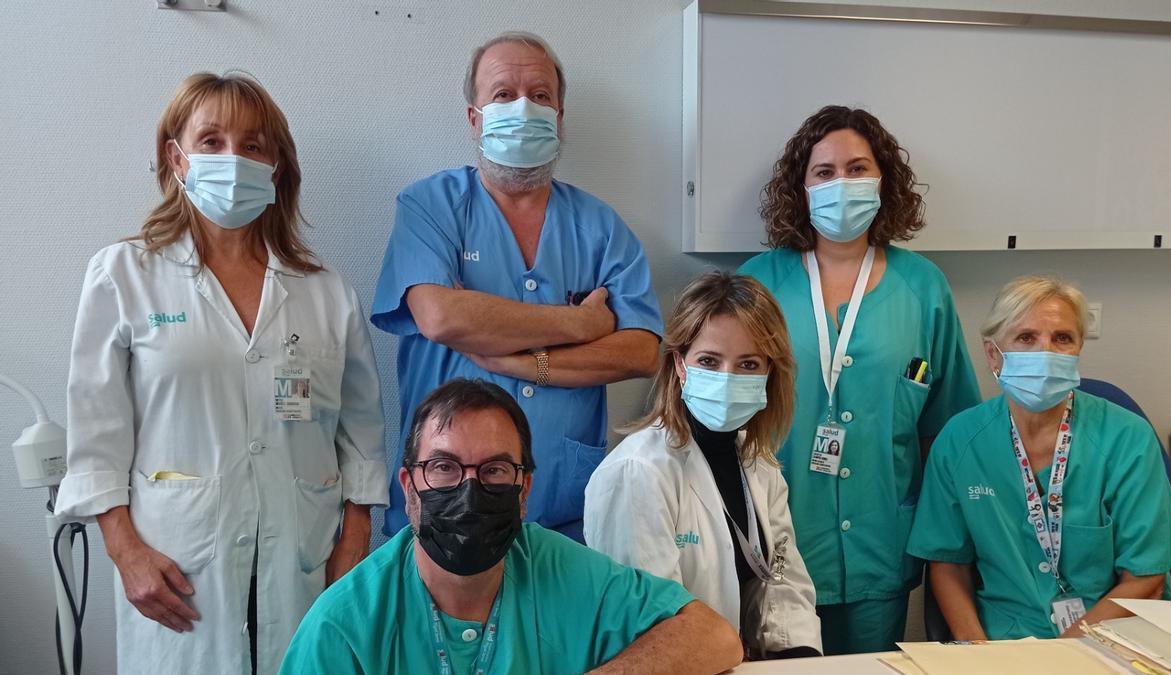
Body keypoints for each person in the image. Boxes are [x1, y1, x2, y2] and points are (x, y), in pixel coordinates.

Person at [54, 73, 388, 675]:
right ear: (174, 156)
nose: (233, 158)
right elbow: (96, 438)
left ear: (277, 165)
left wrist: (354, 541)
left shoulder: (325, 292)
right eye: (211, 141)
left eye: (253, 145)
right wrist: (126, 553)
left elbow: (361, 434)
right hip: (177, 566)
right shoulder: (122, 275)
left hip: (303, 560)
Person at [371, 31, 661, 542]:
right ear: (474, 117)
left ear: (560, 116)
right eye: (503, 94)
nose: (524, 107)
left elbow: (640, 351)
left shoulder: (600, 226)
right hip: (443, 505)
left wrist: (525, 363)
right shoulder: (430, 207)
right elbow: (442, 318)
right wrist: (581, 324)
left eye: (541, 95)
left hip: (562, 514)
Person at [280, 379, 743, 674]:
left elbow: (713, 636)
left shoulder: (561, 569)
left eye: (495, 470)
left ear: (524, 491)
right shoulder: (342, 626)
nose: (469, 489)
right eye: (443, 467)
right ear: (408, 486)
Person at [738, 105, 981, 654]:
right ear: (801, 189)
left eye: (857, 168)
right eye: (824, 172)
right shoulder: (759, 284)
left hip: (882, 541)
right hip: (778, 539)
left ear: (882, 181)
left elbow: (947, 428)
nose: (841, 184)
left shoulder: (924, 286)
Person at [908, 276, 1171, 640]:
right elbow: (947, 563)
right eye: (1026, 338)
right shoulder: (959, 441)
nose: (1046, 352)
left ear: (1078, 349)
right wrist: (975, 652)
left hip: (1115, 638)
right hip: (1003, 639)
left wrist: (1062, 655)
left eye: (1062, 338)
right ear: (993, 354)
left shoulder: (1127, 438)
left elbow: (1146, 577)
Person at [585, 272, 823, 659]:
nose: (727, 378)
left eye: (748, 364)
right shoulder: (636, 473)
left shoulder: (758, 463)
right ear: (680, 365)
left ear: (768, 373)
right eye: (709, 361)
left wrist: (794, 656)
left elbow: (782, 577)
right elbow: (649, 626)